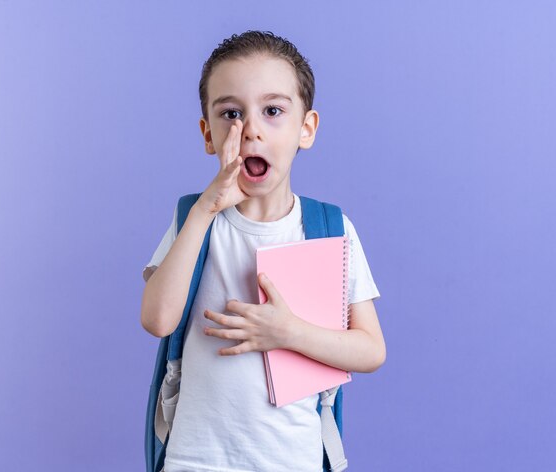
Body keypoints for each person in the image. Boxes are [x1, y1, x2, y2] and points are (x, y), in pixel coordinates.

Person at [140, 30, 386, 472]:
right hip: (195, 461)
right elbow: (157, 320)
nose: (250, 129)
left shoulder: (331, 230)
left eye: (273, 111)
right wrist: (203, 212)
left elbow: (370, 350)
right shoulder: (193, 220)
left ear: (305, 129)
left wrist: (287, 332)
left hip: (291, 460)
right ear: (208, 135)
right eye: (231, 113)